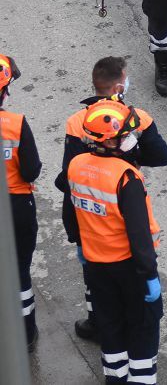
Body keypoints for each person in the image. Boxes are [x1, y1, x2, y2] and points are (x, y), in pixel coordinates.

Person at [57, 57, 167, 343]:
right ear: (120, 86)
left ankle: (99, 322)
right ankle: (134, 328)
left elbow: (67, 178)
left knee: (94, 278)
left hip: (86, 214)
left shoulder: (76, 122)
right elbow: (161, 156)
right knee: (131, 278)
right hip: (122, 208)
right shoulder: (138, 119)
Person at [65, 98, 164, 384]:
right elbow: (139, 234)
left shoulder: (76, 165)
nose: (131, 139)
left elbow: (70, 212)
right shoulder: (126, 177)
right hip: (131, 268)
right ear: (109, 142)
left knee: (110, 328)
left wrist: (81, 245)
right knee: (143, 328)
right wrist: (148, 276)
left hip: (96, 266)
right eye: (125, 135)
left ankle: (116, 379)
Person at [0, 55, 42, 351]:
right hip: (16, 207)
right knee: (20, 271)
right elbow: (31, 171)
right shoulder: (15, 125)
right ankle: (26, 334)